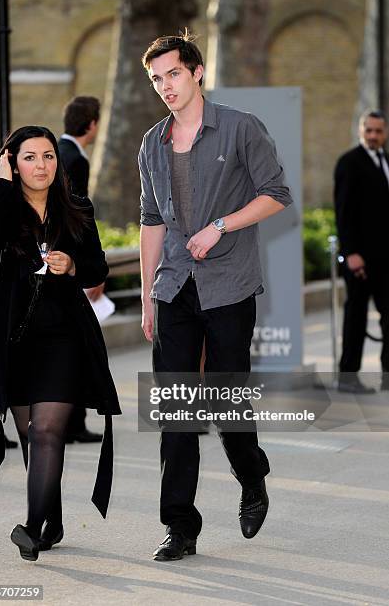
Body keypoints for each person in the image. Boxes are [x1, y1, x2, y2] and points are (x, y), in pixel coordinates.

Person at [139, 32, 292, 561]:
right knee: (176, 412)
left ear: (197, 72)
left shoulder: (240, 127)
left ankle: (251, 472)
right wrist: (146, 297)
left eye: (173, 74)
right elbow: (152, 221)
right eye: (157, 79)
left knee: (227, 404)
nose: (166, 86)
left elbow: (276, 194)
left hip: (228, 285)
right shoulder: (151, 143)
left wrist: (220, 226)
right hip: (174, 287)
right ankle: (180, 526)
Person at [0, 126, 120, 561]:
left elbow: (97, 268)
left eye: (48, 156)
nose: (41, 165)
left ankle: (32, 527)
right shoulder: (3, 204)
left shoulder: (75, 205)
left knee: (46, 431)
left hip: (63, 335)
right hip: (13, 337)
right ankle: (52, 521)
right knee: (28, 435)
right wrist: (2, 184)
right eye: (29, 157)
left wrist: (73, 263)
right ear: (12, 162)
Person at [58, 95, 104, 443]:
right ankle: (73, 423)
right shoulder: (75, 159)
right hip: (67, 268)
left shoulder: (58, 151)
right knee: (73, 345)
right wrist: (85, 269)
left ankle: (73, 422)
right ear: (91, 124)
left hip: (58, 264)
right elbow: (76, 220)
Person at [334, 110, 389, 394]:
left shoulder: (386, 161)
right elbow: (343, 213)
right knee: (355, 318)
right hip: (360, 260)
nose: (373, 135)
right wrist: (351, 252)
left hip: (386, 260)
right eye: (369, 130)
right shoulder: (349, 163)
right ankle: (348, 378)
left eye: (378, 131)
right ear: (360, 130)